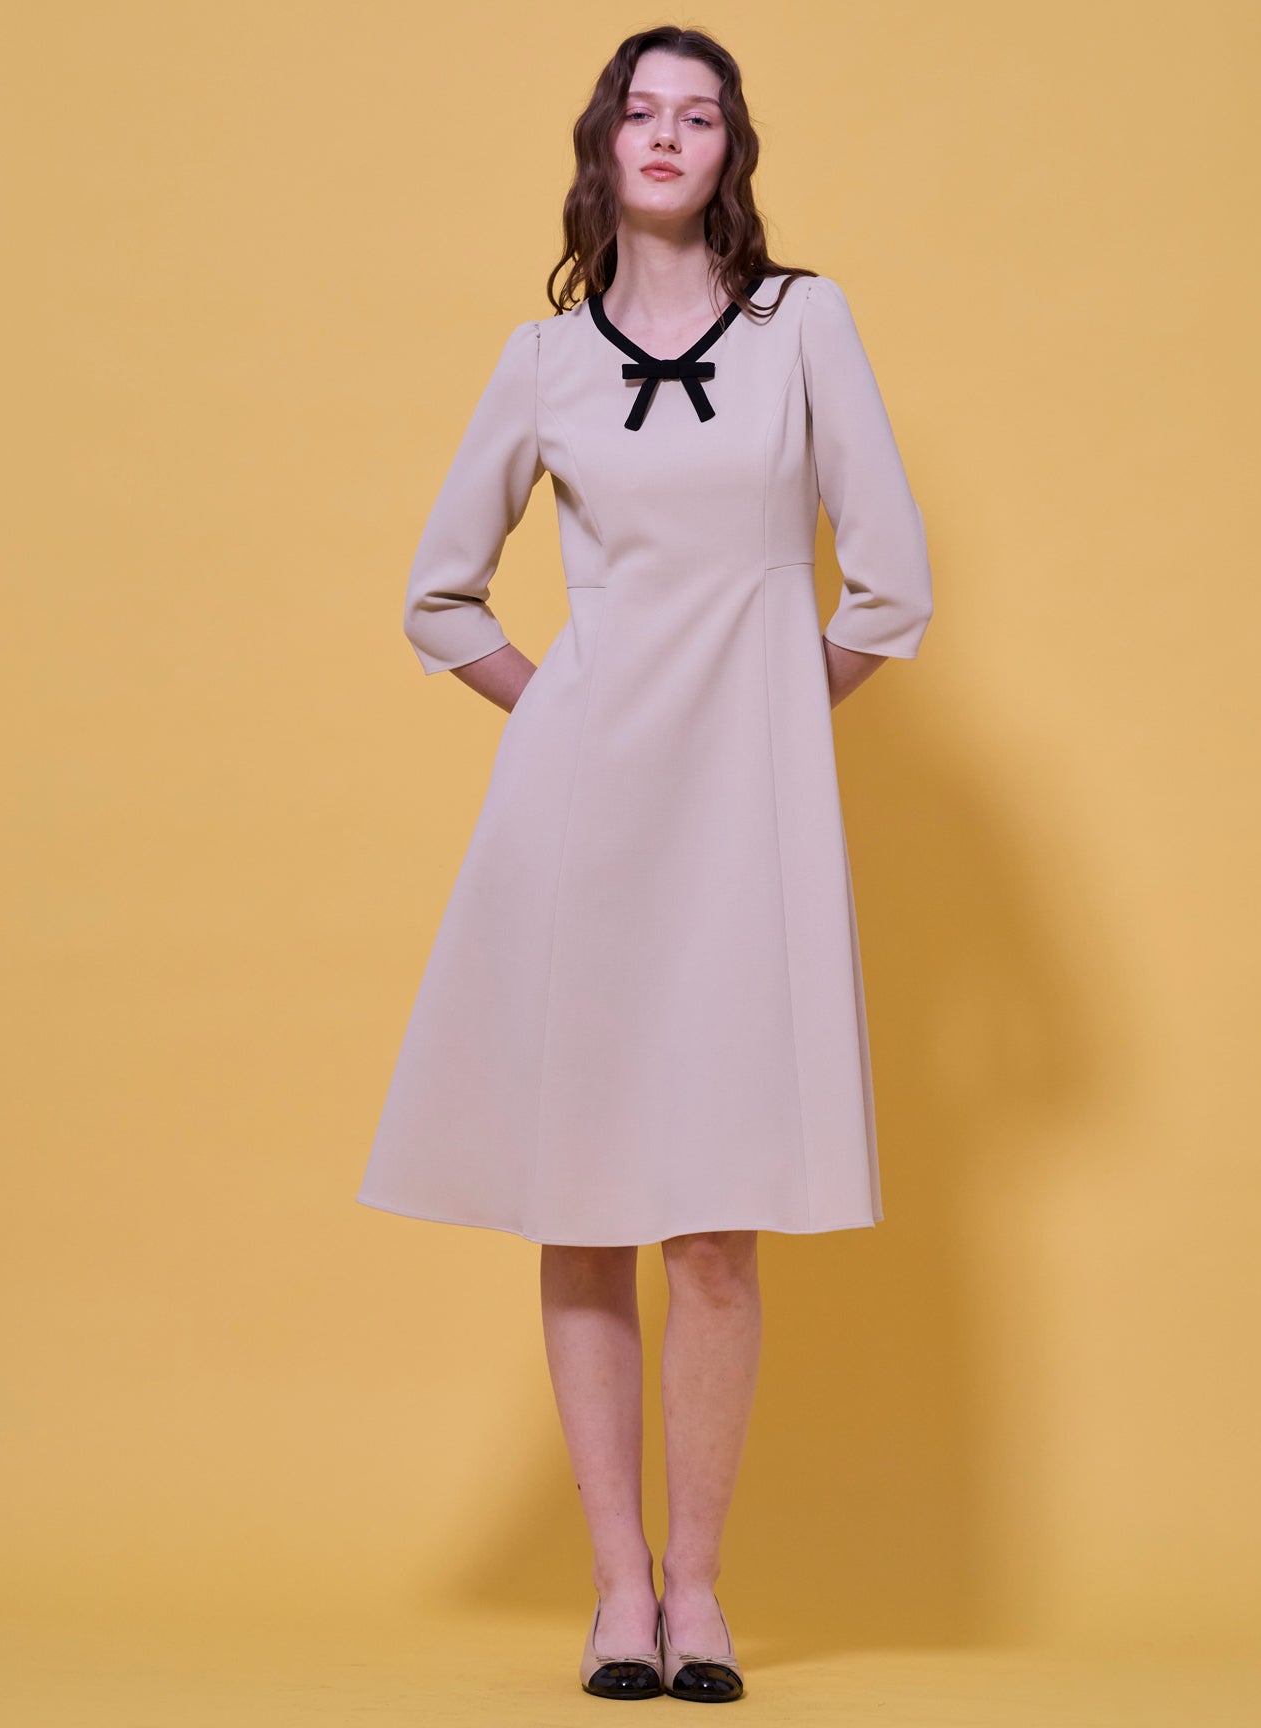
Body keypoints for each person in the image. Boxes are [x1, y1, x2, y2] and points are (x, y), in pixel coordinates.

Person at [356, 23, 934, 1704]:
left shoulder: (802, 325)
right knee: (588, 1202)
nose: (668, 135)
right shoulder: (541, 360)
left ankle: (702, 1590)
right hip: (584, 819)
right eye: (642, 111)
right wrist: (563, 712)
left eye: (700, 114)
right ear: (603, 143)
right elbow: (438, 596)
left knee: (717, 1226)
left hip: (744, 824)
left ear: (731, 149)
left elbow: (891, 586)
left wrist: (768, 720)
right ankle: (620, 1592)